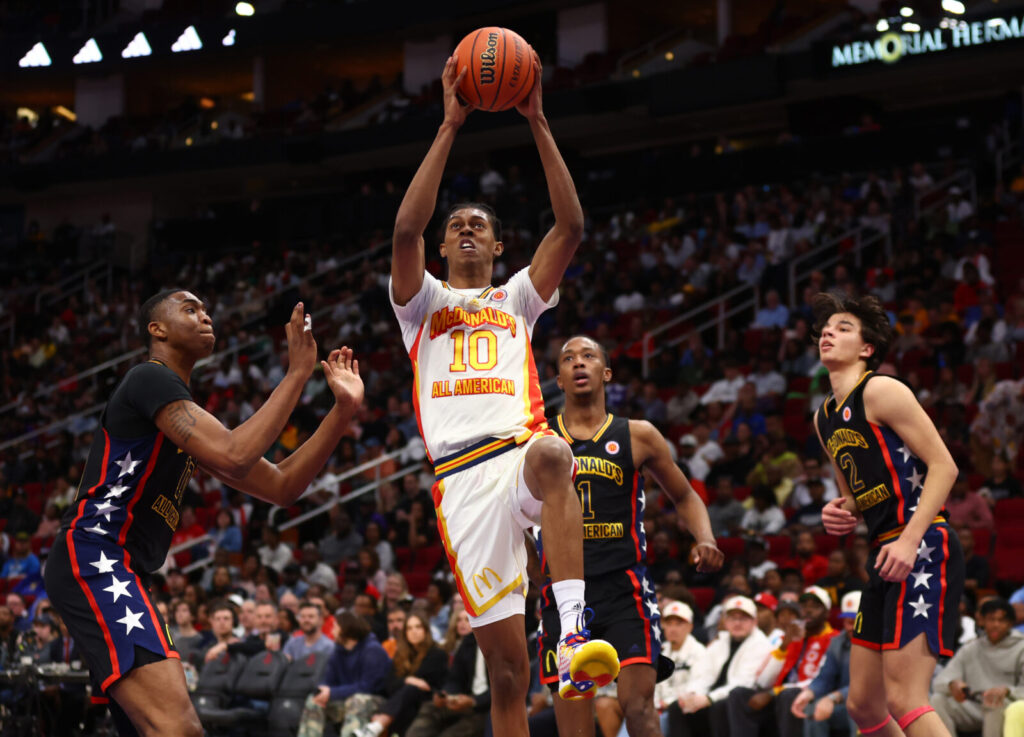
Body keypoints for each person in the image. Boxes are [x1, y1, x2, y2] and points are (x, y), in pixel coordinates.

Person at [388, 50, 617, 731]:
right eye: (455, 224)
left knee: (554, 456)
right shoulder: (419, 304)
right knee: (510, 675)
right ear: (444, 248)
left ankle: (574, 631)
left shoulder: (516, 295)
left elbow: (571, 227)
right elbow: (405, 229)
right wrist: (448, 126)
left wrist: (539, 119)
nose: (463, 228)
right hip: (461, 485)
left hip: (517, 451)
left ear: (496, 249)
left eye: (478, 225)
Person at [43, 289, 365, 737]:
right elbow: (235, 455)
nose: (205, 316)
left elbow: (283, 487)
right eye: (189, 309)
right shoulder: (148, 379)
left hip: (122, 568)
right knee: (180, 730)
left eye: (207, 309)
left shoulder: (182, 415)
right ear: (156, 329)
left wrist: (343, 409)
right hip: (95, 555)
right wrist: (296, 374)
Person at [537, 335, 724, 737]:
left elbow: (685, 494)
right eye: (568, 358)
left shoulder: (639, 434)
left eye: (588, 356)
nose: (578, 363)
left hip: (625, 589)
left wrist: (705, 538)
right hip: (562, 594)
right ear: (559, 380)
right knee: (575, 731)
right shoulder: (539, 441)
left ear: (606, 373)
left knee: (638, 710)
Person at [812, 291, 964, 737]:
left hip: (922, 543)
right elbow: (857, 496)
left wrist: (910, 539)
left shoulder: (881, 389)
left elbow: (944, 466)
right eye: (826, 327)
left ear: (867, 348)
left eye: (843, 328)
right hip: (885, 552)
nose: (828, 332)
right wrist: (840, 511)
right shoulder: (824, 419)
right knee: (863, 706)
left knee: (905, 698)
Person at [727, 586, 838, 736]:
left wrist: (773, 693)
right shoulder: (792, 637)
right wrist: (784, 646)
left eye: (815, 607)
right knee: (738, 694)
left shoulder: (834, 639)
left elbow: (820, 680)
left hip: (809, 697)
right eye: (804, 606)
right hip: (780, 697)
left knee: (788, 696)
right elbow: (763, 681)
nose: (808, 611)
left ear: (827, 613)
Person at [668, 596, 773, 737]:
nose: (737, 623)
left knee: (720, 706)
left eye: (743, 618)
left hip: (744, 700)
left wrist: (708, 698)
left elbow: (743, 682)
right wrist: (693, 694)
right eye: (732, 618)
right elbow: (703, 674)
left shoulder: (761, 644)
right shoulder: (720, 642)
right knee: (677, 707)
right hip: (715, 696)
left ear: (754, 621)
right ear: (725, 621)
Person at [931, 597, 1024, 737]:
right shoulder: (970, 647)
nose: (996, 625)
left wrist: (1007, 691)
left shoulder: (1021, 647)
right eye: (991, 619)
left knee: (993, 701)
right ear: (982, 621)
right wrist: (952, 684)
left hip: (1004, 705)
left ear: (1011, 623)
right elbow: (940, 682)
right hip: (972, 705)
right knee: (938, 699)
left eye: (1001, 620)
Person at [296, 610, 392, 737]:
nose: (332, 632)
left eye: (335, 627)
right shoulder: (338, 650)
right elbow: (328, 680)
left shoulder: (373, 650)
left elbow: (367, 687)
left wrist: (332, 692)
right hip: (346, 699)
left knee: (357, 700)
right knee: (314, 700)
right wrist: (322, 692)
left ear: (347, 629)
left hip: (375, 702)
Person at [354, 612, 449, 737]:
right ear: (405, 633)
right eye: (409, 628)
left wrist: (406, 681)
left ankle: (378, 723)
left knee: (412, 689)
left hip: (429, 699)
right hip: (403, 702)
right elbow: (390, 685)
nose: (414, 631)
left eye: (418, 627)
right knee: (408, 690)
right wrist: (408, 679)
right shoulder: (401, 655)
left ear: (426, 630)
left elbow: (426, 684)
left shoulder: (437, 654)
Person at [788, 591, 861, 737]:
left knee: (858, 710)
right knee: (811, 708)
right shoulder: (837, 642)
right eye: (847, 621)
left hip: (873, 704)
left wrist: (833, 698)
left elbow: (868, 683)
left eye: (855, 622)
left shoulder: (880, 644)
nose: (849, 627)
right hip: (842, 704)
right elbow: (825, 676)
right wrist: (809, 693)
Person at [653, 601, 705, 736]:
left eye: (679, 624)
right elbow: (653, 684)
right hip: (657, 708)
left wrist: (667, 703)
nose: (673, 629)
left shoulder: (699, 652)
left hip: (683, 710)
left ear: (690, 627)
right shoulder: (659, 651)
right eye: (669, 623)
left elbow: (696, 687)